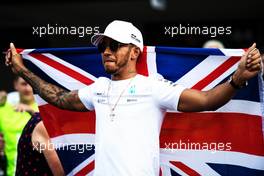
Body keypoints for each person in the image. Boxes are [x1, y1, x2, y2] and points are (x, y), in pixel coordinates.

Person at [4, 20, 262, 176]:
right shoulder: (98, 88)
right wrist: (22, 70)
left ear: (134, 51)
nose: (106, 51)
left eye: (114, 45)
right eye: (103, 46)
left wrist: (238, 78)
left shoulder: (153, 88)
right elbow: (59, 98)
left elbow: (207, 101)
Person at [0, 77, 38, 176]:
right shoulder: (3, 109)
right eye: (24, 84)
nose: (28, 88)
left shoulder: (43, 110)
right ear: (16, 84)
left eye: (30, 84)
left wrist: (32, 112)